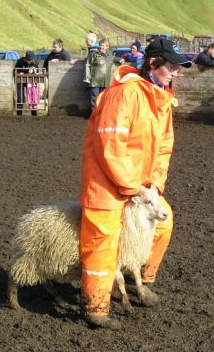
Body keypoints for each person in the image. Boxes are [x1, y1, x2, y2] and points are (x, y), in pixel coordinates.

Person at [79, 38, 192, 329]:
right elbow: (110, 145)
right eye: (171, 67)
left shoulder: (162, 99)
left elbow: (164, 147)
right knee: (103, 240)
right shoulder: (125, 94)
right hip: (106, 183)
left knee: (163, 224)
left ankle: (136, 281)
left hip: (140, 186)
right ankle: (96, 306)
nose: (175, 73)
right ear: (153, 63)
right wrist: (132, 188)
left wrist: (155, 184)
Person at [83, 39, 124, 112]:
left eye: (103, 46)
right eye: (100, 45)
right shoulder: (93, 54)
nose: (101, 47)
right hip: (95, 80)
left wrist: (120, 59)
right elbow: (87, 65)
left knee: (104, 97)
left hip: (106, 81)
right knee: (94, 97)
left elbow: (114, 58)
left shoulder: (109, 54)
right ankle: (94, 113)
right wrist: (87, 77)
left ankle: (102, 113)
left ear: (107, 46)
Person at [14, 51, 40, 115]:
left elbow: (37, 69)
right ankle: (19, 113)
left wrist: (34, 69)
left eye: (31, 60)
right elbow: (15, 70)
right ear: (25, 58)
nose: (29, 62)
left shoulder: (35, 61)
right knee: (20, 97)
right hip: (20, 81)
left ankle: (34, 114)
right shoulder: (20, 61)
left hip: (31, 81)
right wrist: (19, 73)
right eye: (28, 60)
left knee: (33, 96)